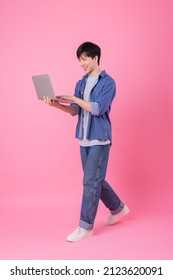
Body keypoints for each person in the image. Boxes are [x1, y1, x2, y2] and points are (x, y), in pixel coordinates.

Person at [43, 42, 129, 242]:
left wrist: (74, 98)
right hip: (83, 139)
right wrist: (56, 104)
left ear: (95, 57)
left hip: (99, 139)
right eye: (79, 60)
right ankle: (118, 208)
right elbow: (75, 110)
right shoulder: (81, 83)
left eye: (84, 59)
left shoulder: (108, 82)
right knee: (95, 179)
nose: (81, 63)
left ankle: (85, 226)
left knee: (90, 181)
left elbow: (98, 108)